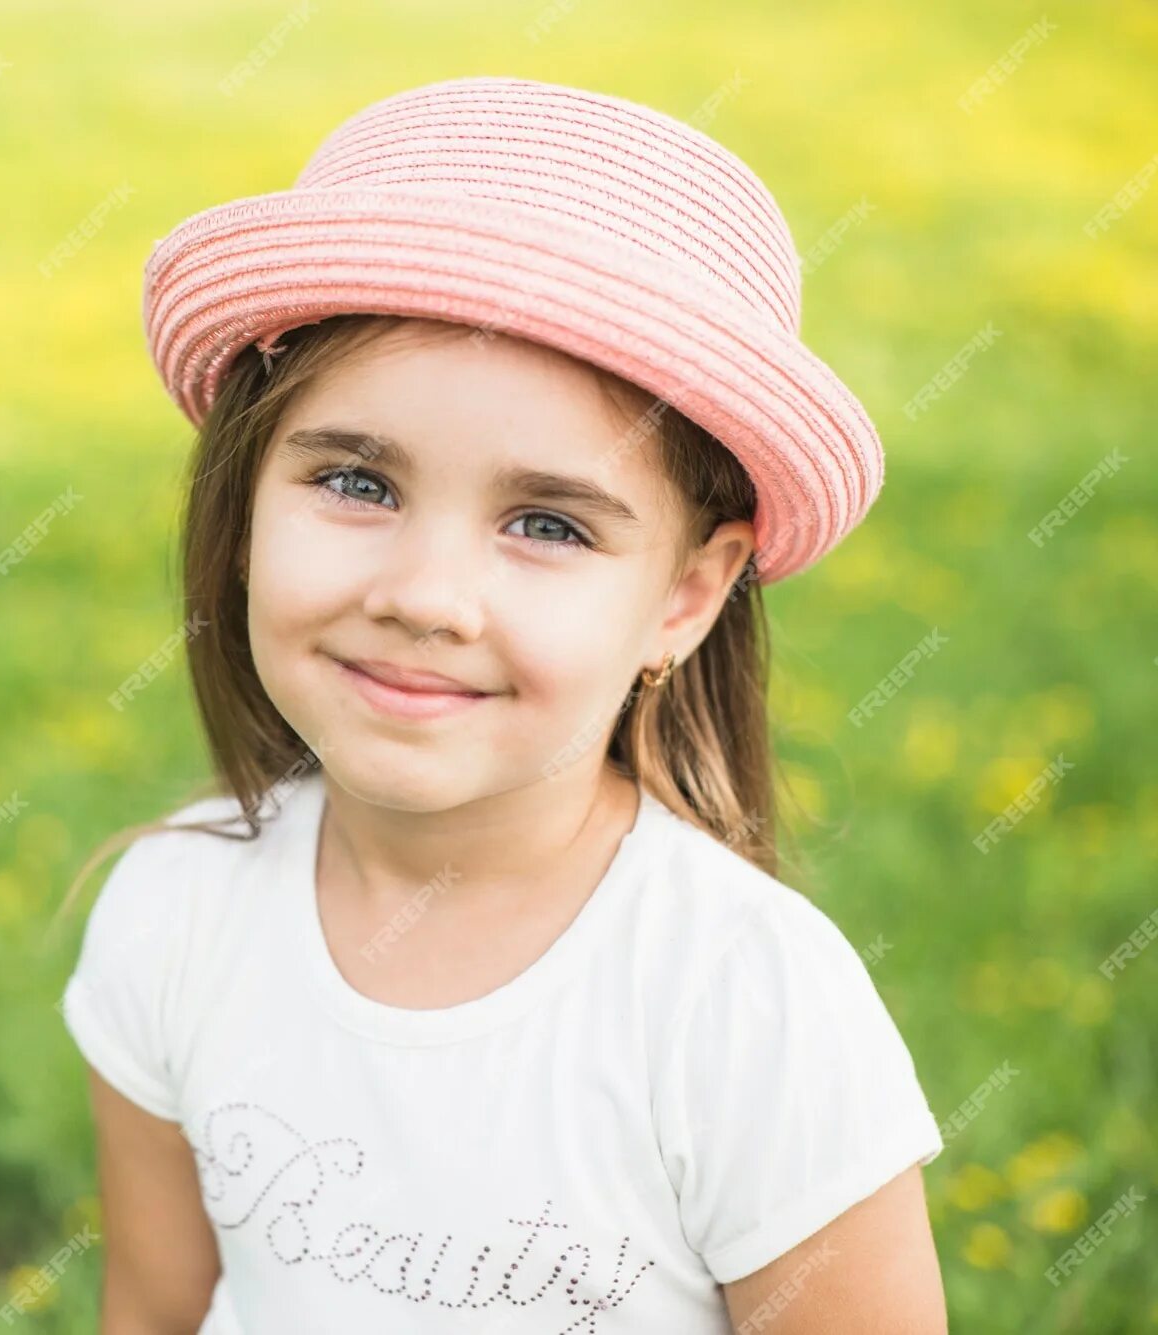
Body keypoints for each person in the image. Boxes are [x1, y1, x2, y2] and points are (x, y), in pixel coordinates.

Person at [51, 77, 947, 1333]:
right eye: (357, 482)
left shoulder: (739, 1003)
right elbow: (154, 1312)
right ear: (246, 499)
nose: (427, 598)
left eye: (544, 524)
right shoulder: (174, 917)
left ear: (683, 597)